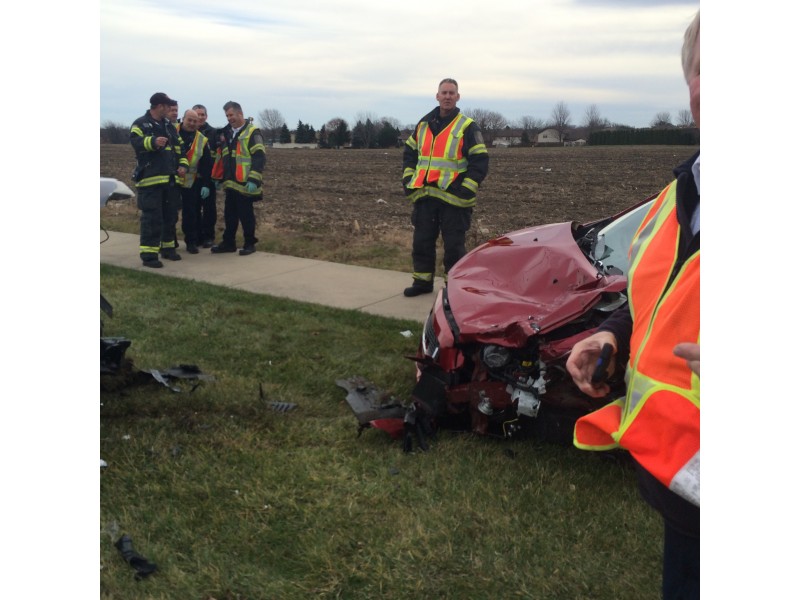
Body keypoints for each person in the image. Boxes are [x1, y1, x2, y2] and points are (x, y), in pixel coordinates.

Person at [565, 11, 700, 599]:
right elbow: (658, 296)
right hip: (681, 494)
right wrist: (613, 335)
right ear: (691, 86)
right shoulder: (678, 196)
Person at [401, 78, 489, 297]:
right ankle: (422, 283)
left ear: (458, 97)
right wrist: (408, 179)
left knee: (454, 247)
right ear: (437, 96)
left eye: (451, 93)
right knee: (422, 242)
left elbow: (480, 160)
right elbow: (410, 154)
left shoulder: (467, 126)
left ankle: (454, 290)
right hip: (425, 196)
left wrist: (467, 188)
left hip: (454, 199)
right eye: (444, 93)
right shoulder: (423, 125)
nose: (447, 96)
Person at [129, 92, 188, 267]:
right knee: (152, 219)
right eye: (168, 106)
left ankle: (168, 249)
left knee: (170, 217)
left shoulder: (169, 126)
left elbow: (180, 149)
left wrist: (183, 165)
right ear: (160, 106)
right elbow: (136, 142)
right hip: (150, 181)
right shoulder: (140, 123)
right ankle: (149, 255)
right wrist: (153, 142)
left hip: (170, 181)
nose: (171, 109)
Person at [210, 101, 266, 256]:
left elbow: (259, 157)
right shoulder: (226, 133)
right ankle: (228, 243)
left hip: (245, 183)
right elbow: (222, 157)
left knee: (246, 216)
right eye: (227, 116)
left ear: (240, 113)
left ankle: (249, 244)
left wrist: (254, 179)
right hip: (230, 183)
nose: (229, 118)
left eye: (231, 115)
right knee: (230, 216)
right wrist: (217, 177)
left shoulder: (253, 132)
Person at [176, 109, 213, 254]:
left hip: (190, 182)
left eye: (194, 121)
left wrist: (206, 184)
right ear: (183, 119)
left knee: (191, 214)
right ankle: (168, 241)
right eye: (189, 120)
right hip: (171, 179)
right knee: (169, 213)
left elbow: (207, 164)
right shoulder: (171, 132)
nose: (192, 123)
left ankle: (191, 242)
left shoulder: (202, 140)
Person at [193, 104, 219, 248]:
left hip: (209, 178)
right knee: (193, 209)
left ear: (206, 116)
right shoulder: (187, 132)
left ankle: (209, 237)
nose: (200, 117)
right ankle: (196, 236)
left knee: (209, 209)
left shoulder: (213, 133)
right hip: (192, 179)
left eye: (202, 114)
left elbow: (218, 156)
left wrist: (216, 178)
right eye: (197, 114)